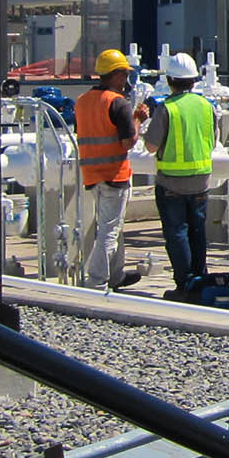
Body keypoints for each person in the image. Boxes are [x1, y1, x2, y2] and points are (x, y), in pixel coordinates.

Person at [144, 52, 216, 301]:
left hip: (171, 182)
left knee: (177, 235)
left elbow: (151, 146)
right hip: (201, 180)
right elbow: (213, 139)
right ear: (194, 80)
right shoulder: (207, 106)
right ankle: (200, 280)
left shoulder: (167, 108)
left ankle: (184, 286)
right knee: (198, 232)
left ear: (170, 80)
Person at [75, 48, 149, 290]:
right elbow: (128, 141)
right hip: (114, 174)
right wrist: (138, 118)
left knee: (113, 227)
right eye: (124, 74)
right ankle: (96, 280)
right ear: (116, 75)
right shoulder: (118, 103)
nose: (126, 79)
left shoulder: (83, 101)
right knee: (109, 230)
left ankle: (116, 275)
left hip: (92, 174)